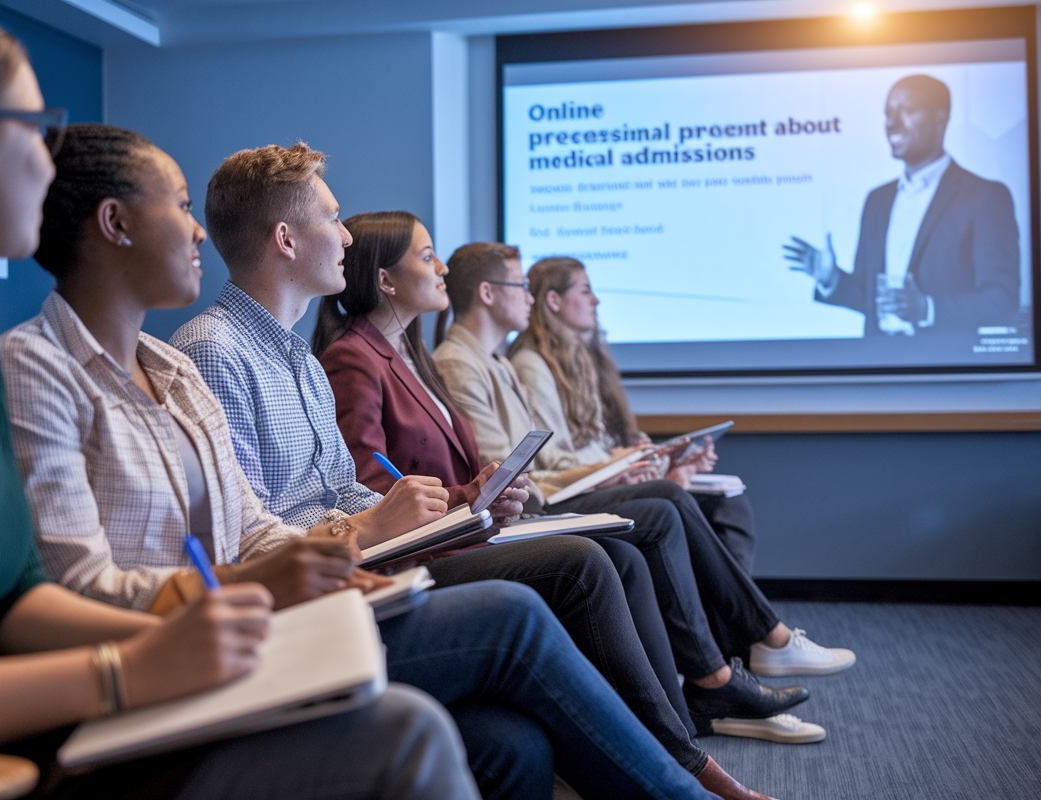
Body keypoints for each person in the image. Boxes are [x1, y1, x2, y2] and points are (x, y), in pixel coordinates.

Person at [0, 6, 479, 799]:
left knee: (482, 740)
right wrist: (127, 669)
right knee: (406, 733)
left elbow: (16, 598)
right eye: (37, 130)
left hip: (53, 707)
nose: (49, 164)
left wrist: (205, 626)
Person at [0, 122, 731, 800]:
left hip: (266, 614)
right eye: (179, 205)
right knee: (516, 610)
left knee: (515, 746)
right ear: (115, 224)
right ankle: (688, 786)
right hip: (189, 652)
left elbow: (253, 527)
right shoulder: (48, 365)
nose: (196, 230)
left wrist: (338, 555)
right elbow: (76, 586)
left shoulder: (173, 368)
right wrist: (330, 551)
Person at [171, 143, 779, 799]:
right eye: (333, 218)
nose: (346, 235)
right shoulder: (213, 351)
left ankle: (680, 752)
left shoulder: (302, 360)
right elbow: (246, 532)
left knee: (520, 738)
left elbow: (336, 488)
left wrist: (418, 508)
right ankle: (687, 774)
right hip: (326, 590)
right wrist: (376, 525)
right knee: (577, 568)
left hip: (365, 560)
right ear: (286, 240)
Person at [315, 214, 825, 749]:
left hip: (476, 522)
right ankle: (691, 724)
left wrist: (488, 488)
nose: (440, 267)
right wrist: (474, 494)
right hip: (432, 548)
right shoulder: (358, 358)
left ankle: (680, 729)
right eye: (426, 257)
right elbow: (372, 485)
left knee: (642, 545)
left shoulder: (412, 356)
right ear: (386, 280)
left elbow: (460, 466)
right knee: (625, 538)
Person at [432, 247, 856, 695]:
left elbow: (545, 460)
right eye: (521, 287)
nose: (530, 298)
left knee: (716, 507)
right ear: (488, 293)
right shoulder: (476, 362)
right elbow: (515, 473)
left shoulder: (499, 361)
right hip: (536, 506)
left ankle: (736, 663)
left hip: (550, 491)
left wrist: (625, 462)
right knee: (665, 505)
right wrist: (614, 468)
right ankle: (748, 653)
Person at [483, 249, 753, 572]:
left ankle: (733, 619)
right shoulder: (531, 366)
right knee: (677, 503)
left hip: (595, 476)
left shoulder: (583, 359)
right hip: (569, 488)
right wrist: (622, 463)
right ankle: (746, 620)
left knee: (727, 503)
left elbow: (604, 440)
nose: (596, 301)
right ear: (553, 301)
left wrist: (651, 455)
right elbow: (551, 458)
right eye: (585, 291)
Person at [785, 74, 1020, 336]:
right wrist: (832, 278)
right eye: (888, 113)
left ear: (940, 118)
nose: (892, 123)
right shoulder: (877, 200)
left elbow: (1002, 300)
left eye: (907, 110)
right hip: (878, 367)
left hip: (947, 369)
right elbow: (869, 300)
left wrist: (927, 309)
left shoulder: (985, 196)